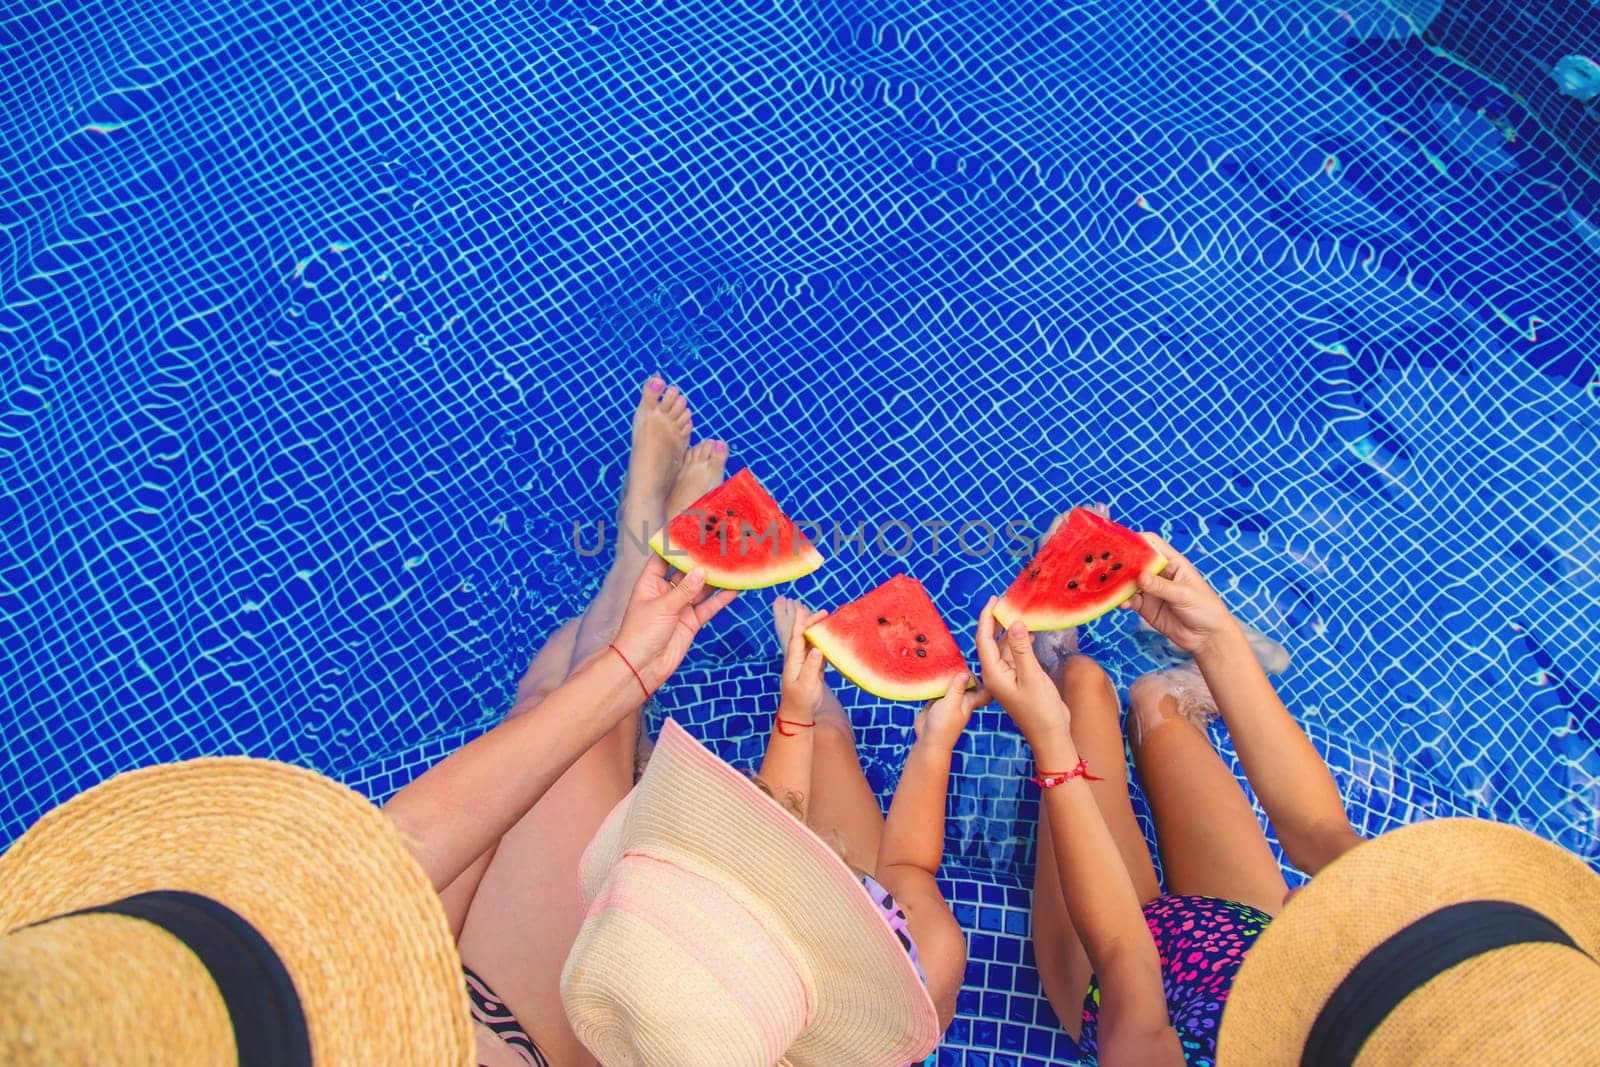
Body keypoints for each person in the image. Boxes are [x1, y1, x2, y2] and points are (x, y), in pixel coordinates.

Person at [980, 526, 1600, 1065]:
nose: (1301, 893)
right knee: (1156, 705)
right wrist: (1215, 636)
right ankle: (1178, 688)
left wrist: (1052, 746)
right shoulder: (1453, 934)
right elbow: (1317, 833)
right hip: (1232, 934)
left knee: (1085, 686)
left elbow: (1123, 955)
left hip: (1108, 983)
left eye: (1343, 940)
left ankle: (1060, 671)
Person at [383, 375, 737, 1065]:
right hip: (513, 1027)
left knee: (547, 698)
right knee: (583, 721)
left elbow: (396, 854)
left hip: (401, 976)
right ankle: (645, 536)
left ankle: (642, 547)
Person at [753, 596, 974, 1034]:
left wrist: (795, 712)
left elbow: (771, 838)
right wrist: (933, 743)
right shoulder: (928, 965)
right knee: (829, 739)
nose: (831, 847)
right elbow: (906, 866)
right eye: (857, 883)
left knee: (825, 739)